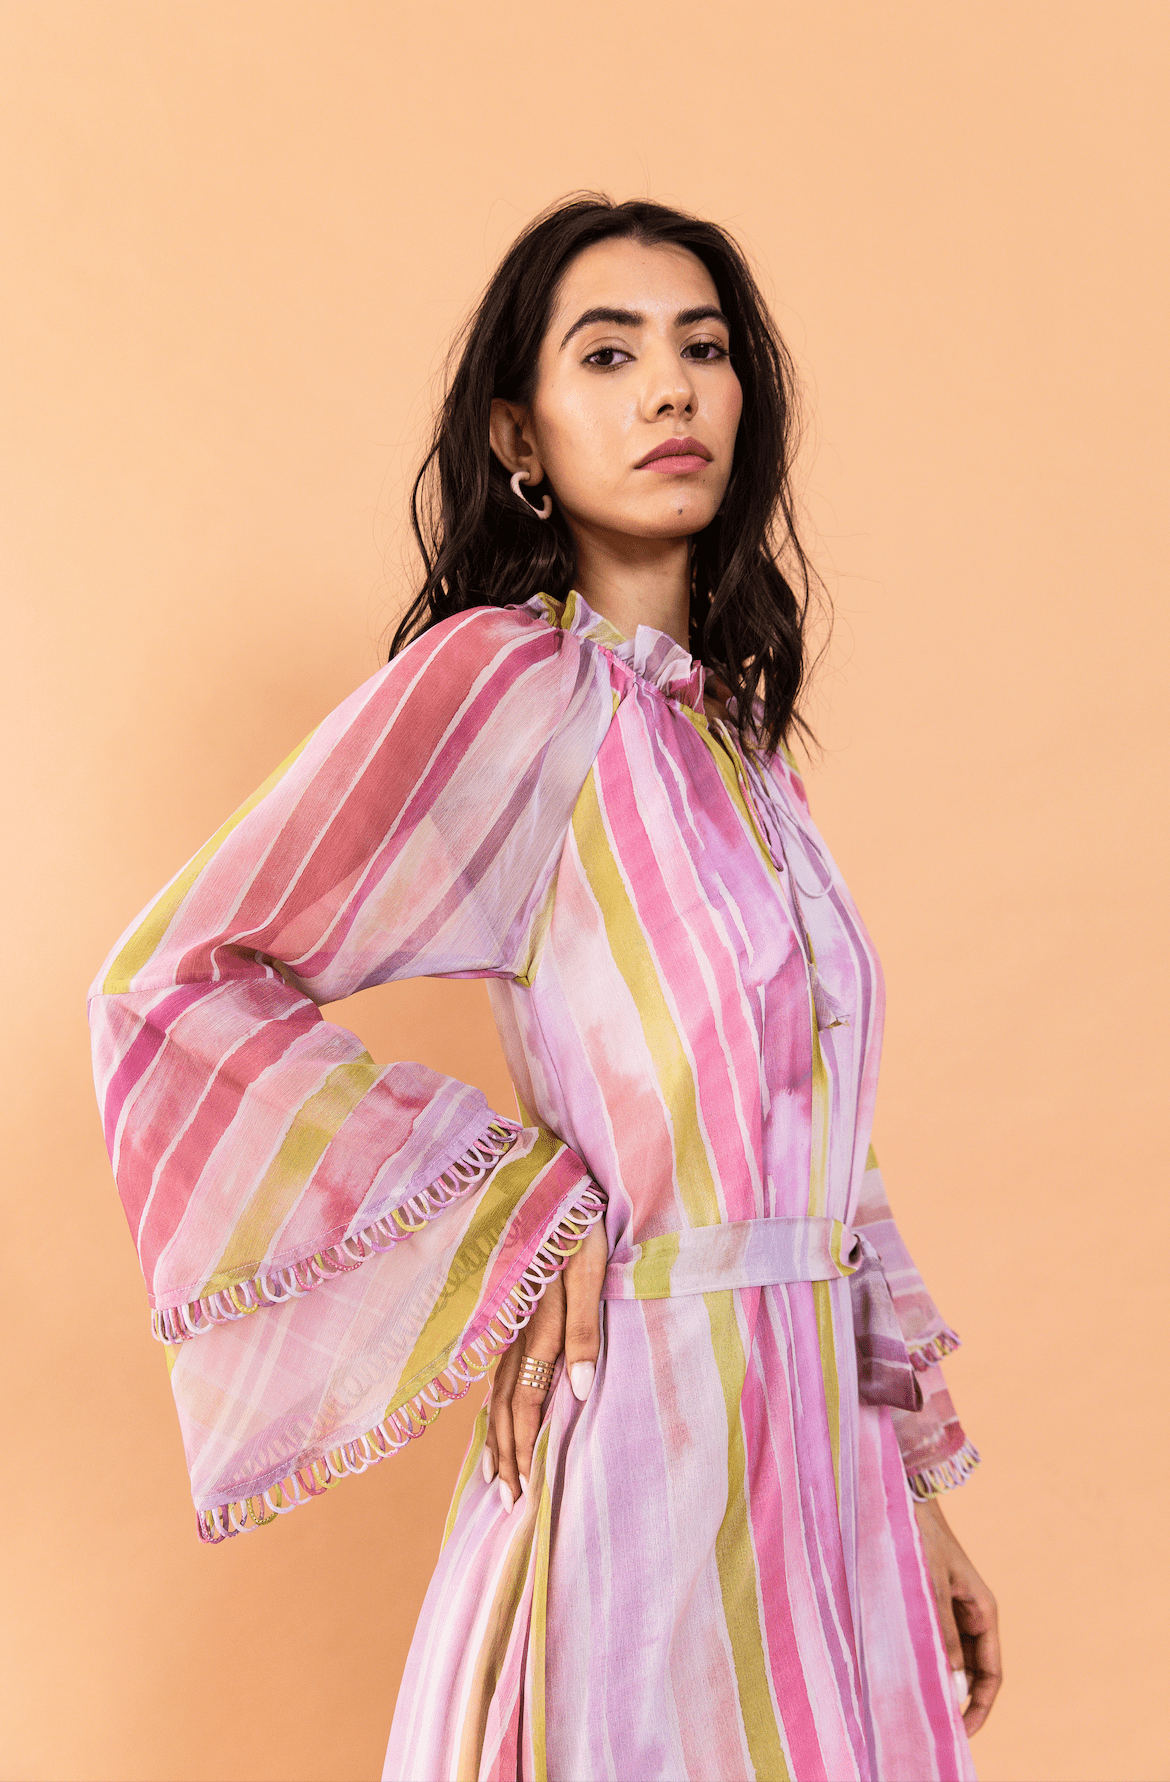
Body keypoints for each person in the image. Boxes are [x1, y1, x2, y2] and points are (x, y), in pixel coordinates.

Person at [88, 195, 1001, 1781]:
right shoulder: (512, 691)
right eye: (609, 354)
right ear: (522, 430)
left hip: (826, 1490)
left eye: (702, 349)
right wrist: (519, 1208)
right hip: (652, 1446)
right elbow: (175, 979)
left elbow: (820, 1158)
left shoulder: (737, 752)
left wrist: (912, 1498)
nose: (670, 389)